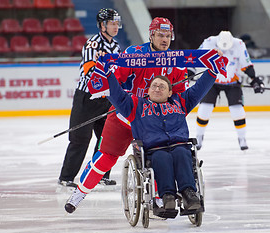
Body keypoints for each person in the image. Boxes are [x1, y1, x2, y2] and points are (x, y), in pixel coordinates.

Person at [65, 51, 224, 213]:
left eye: (162, 86)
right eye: (154, 86)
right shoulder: (136, 103)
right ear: (147, 91)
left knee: (182, 154)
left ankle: (188, 193)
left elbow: (200, 88)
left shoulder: (180, 101)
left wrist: (213, 68)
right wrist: (104, 69)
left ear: (170, 92)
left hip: (175, 143)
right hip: (148, 140)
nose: (157, 88)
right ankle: (166, 195)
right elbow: (115, 92)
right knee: (146, 158)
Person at [64, 17, 193, 213]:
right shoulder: (134, 54)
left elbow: (179, 96)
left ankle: (161, 197)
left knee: (159, 155)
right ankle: (80, 193)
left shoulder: (176, 61)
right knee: (106, 156)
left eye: (168, 35)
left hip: (153, 119)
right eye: (160, 35)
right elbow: (114, 80)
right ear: (151, 35)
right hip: (127, 113)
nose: (165, 39)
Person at [58, 8, 121, 188]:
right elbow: (89, 72)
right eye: (112, 23)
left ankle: (101, 174)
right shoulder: (92, 44)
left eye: (117, 23)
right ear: (102, 25)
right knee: (79, 139)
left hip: (106, 99)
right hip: (87, 98)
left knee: (106, 140)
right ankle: (66, 177)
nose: (116, 27)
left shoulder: (116, 46)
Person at [195, 31, 265, 151]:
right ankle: (199, 136)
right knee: (204, 109)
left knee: (237, 110)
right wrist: (190, 71)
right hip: (212, 81)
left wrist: (254, 79)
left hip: (232, 82)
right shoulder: (209, 42)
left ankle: (242, 138)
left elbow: (246, 64)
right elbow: (196, 58)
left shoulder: (239, 44)